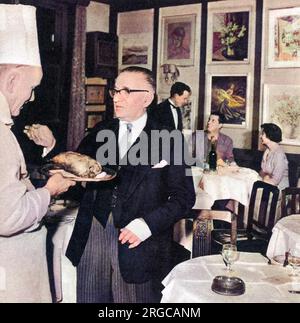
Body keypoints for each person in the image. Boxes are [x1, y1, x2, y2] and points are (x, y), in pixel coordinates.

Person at [66, 66, 195, 303]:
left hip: (140, 244)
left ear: (147, 97)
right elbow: (72, 168)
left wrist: (147, 225)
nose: (116, 97)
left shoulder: (169, 138)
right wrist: (51, 145)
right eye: (115, 91)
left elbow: (184, 198)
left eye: (125, 91)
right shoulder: (100, 131)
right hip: (93, 233)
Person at [0, 4, 75, 303]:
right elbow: (9, 217)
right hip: (11, 268)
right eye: (31, 88)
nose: (32, 98)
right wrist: (50, 190)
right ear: (12, 80)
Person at [259, 123, 289, 190]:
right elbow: (262, 172)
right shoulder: (267, 151)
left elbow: (275, 181)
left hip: (278, 191)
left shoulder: (279, 154)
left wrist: (262, 179)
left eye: (263, 134)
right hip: (266, 186)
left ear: (269, 136)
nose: (260, 136)